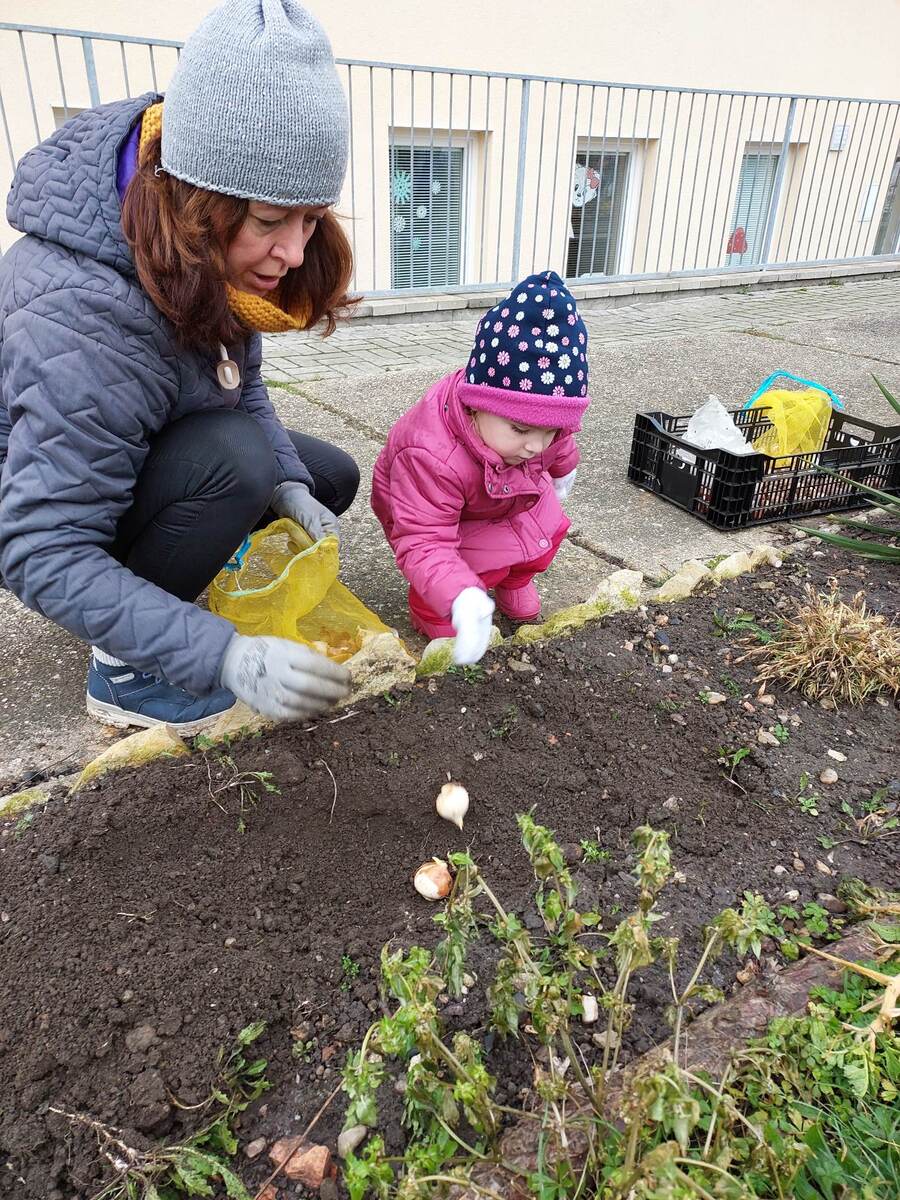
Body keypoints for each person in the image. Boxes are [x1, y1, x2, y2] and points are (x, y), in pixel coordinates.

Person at [0, 0, 359, 734]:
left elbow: (240, 382)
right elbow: (41, 547)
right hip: (46, 498)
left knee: (325, 476)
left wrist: (289, 486)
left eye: (312, 218)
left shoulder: (193, 242)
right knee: (237, 460)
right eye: (270, 221)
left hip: (134, 441)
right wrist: (220, 654)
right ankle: (125, 668)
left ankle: (180, 570)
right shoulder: (82, 312)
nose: (295, 253)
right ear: (200, 201)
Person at [371, 270, 591, 665]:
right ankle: (436, 606)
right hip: (436, 518)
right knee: (467, 562)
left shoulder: (532, 437)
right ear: (476, 405)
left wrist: (564, 466)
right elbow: (425, 539)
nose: (535, 446)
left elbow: (559, 444)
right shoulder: (430, 455)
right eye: (520, 429)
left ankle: (515, 580)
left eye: (550, 430)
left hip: (507, 493)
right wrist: (461, 597)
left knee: (547, 528)